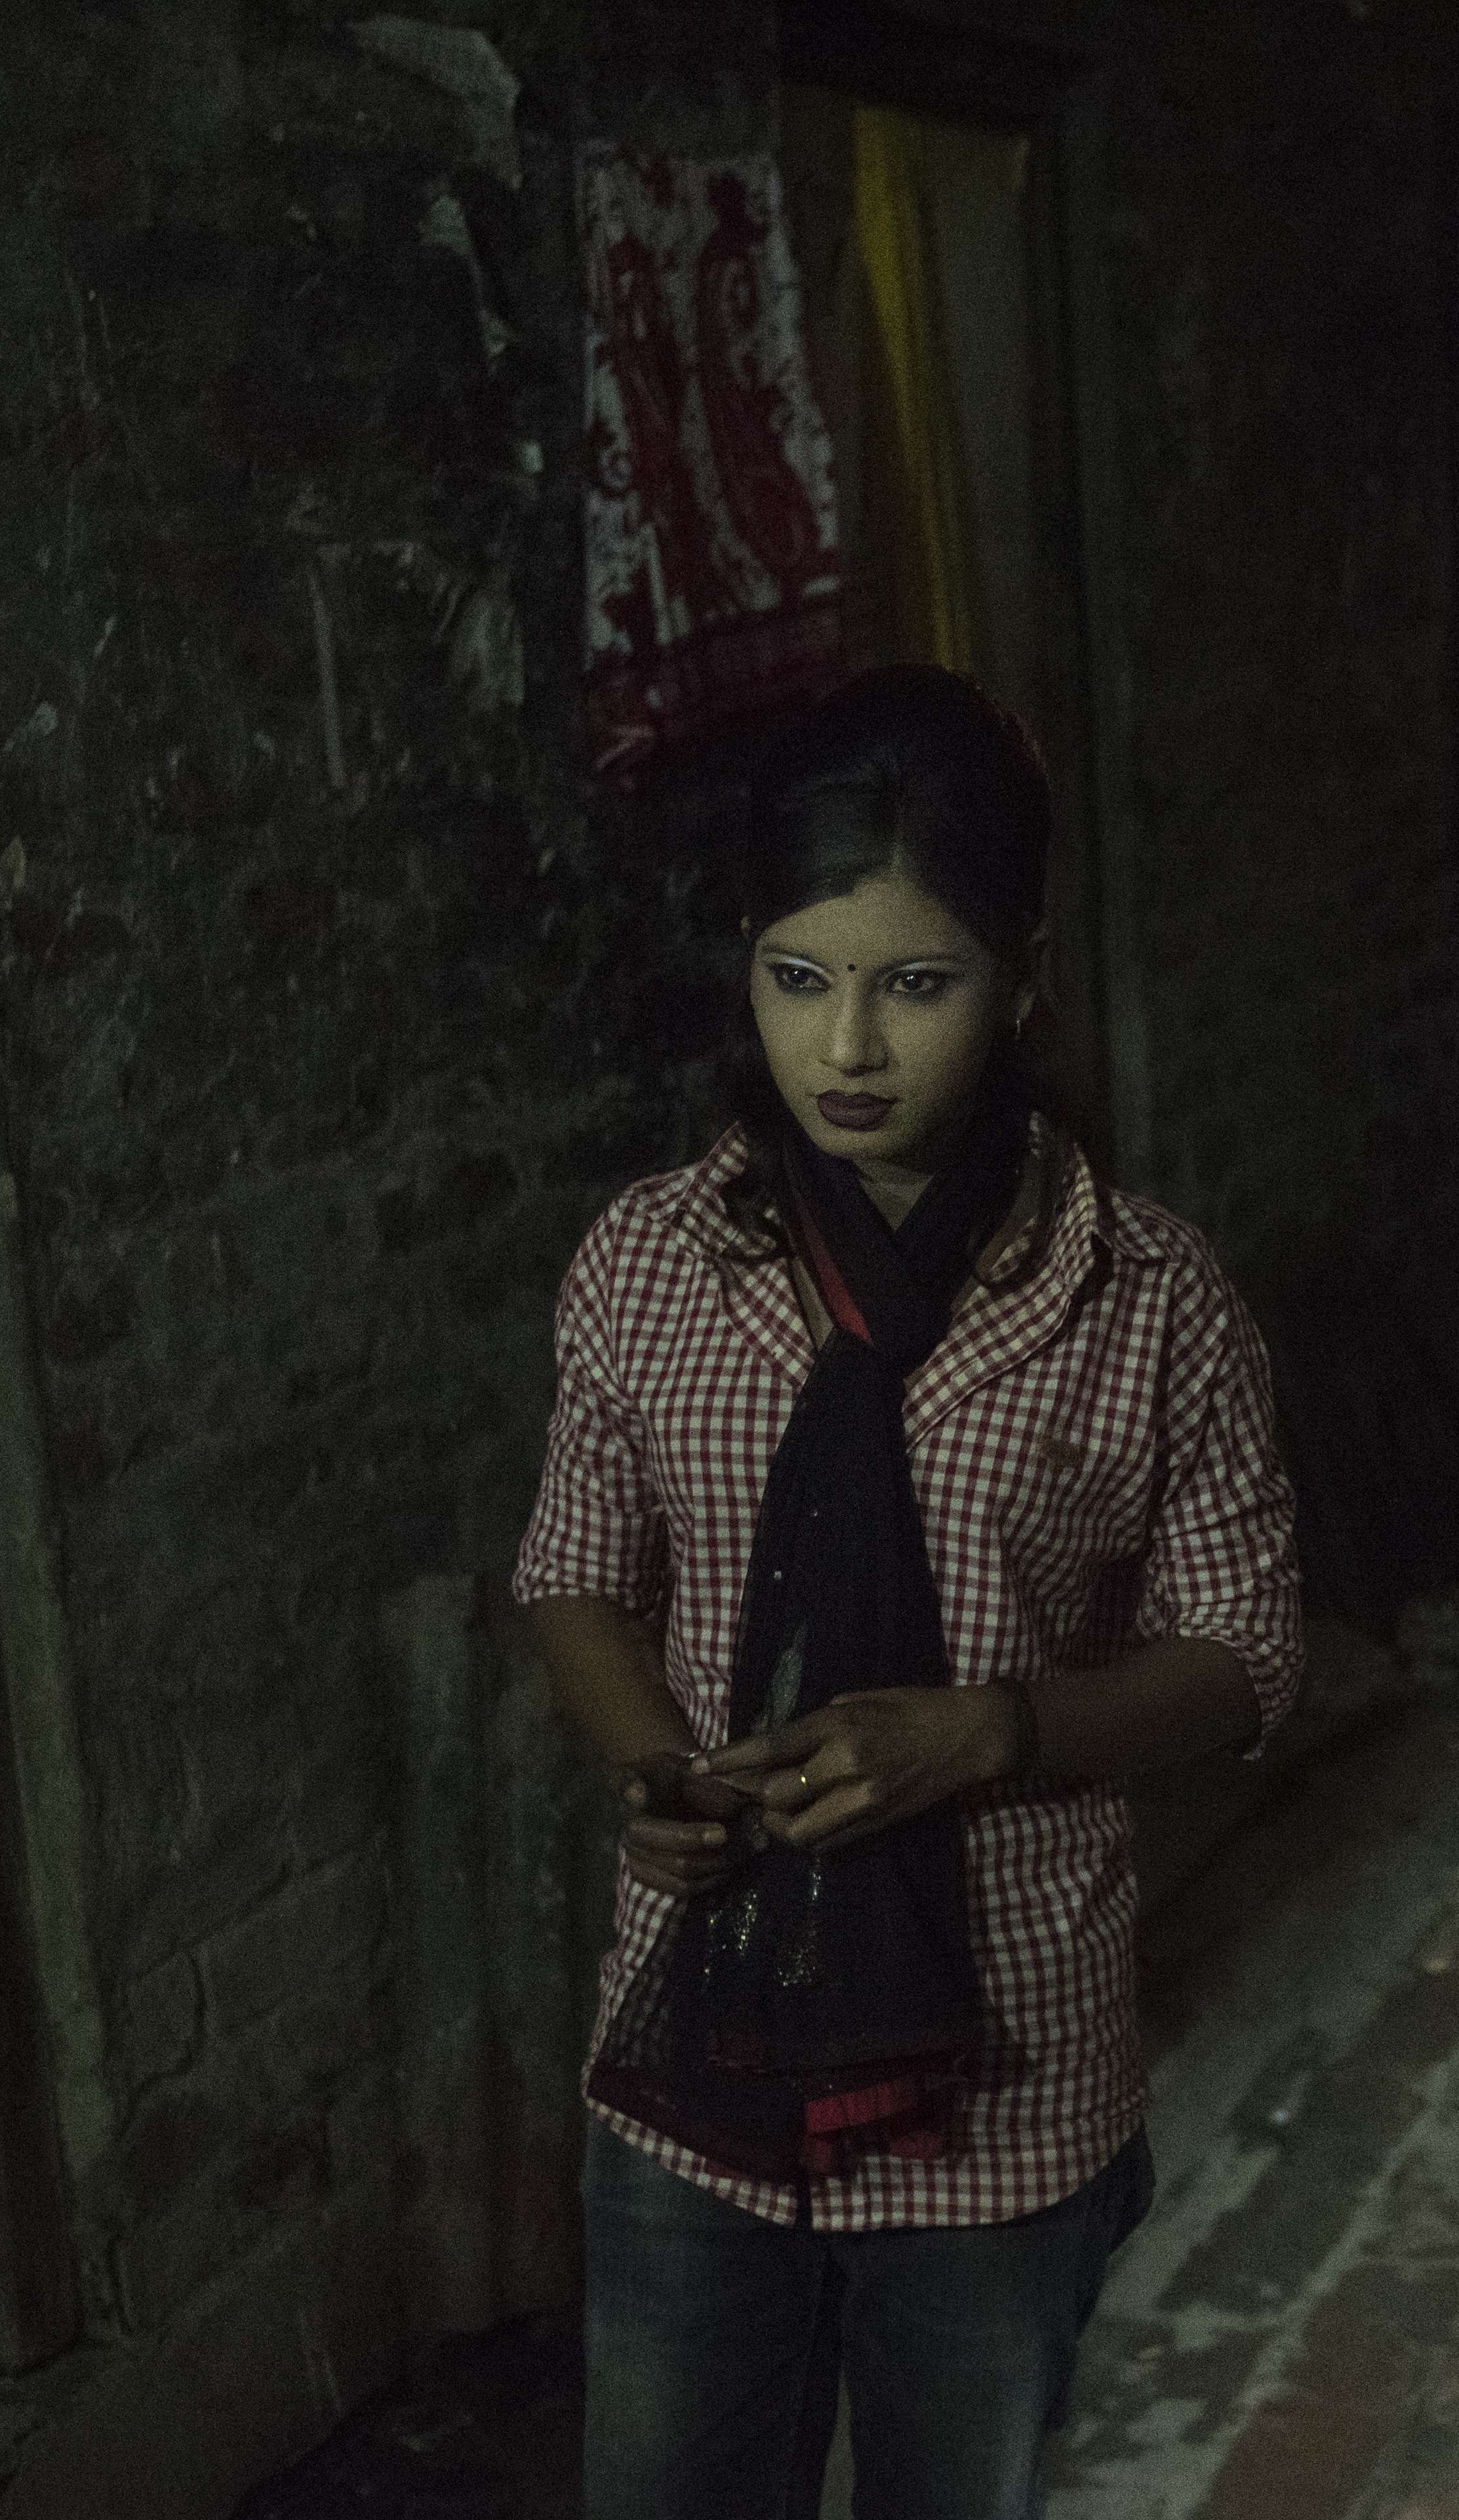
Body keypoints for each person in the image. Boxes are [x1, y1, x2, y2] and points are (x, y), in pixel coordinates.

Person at [513, 665, 1302, 2520]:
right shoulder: (650, 1264)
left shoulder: (1144, 1299)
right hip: (698, 2052)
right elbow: (572, 1574)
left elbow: (1243, 1653)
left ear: (1021, 979)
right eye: (799, 977)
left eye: (916, 984)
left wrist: (988, 1731)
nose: (848, 1044)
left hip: (1005, 2083)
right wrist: (656, 1770)